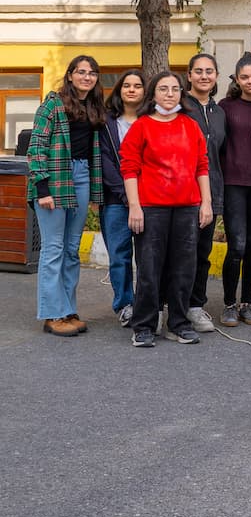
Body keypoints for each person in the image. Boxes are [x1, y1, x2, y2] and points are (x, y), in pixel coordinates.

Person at [121, 71, 213, 347]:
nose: (170, 94)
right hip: (151, 208)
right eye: (163, 89)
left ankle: (179, 323)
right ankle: (144, 325)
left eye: (175, 89)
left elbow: (202, 166)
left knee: (184, 269)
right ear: (154, 94)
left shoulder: (190, 125)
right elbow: (129, 168)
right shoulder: (142, 126)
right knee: (149, 269)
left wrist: (205, 202)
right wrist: (134, 207)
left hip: (186, 207)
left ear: (181, 94)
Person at [26, 56, 104, 337]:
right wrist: (42, 188)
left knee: (71, 250)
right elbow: (36, 147)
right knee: (53, 249)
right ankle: (52, 314)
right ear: (70, 75)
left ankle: (68, 309)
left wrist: (95, 191)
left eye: (92, 73)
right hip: (55, 177)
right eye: (81, 72)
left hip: (81, 175)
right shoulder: (52, 103)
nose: (87, 77)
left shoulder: (93, 107)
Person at [218, 53, 251, 327]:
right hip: (233, 182)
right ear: (237, 79)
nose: (250, 81)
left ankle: (247, 303)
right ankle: (228, 303)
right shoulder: (226, 106)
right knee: (236, 245)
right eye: (244, 77)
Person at [182, 54, 224, 334]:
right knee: (181, 252)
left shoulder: (220, 112)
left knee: (202, 253)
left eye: (209, 71)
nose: (204, 76)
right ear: (189, 75)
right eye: (198, 71)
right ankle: (174, 304)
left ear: (217, 76)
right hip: (182, 192)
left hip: (214, 192)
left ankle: (196, 306)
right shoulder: (180, 107)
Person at [97, 68, 144, 327]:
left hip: (149, 199)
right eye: (127, 85)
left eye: (137, 85)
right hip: (115, 199)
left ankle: (148, 302)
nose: (132, 89)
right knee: (119, 255)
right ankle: (125, 304)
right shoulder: (107, 123)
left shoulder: (152, 121)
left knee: (147, 255)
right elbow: (105, 161)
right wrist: (126, 194)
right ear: (119, 91)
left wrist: (140, 195)